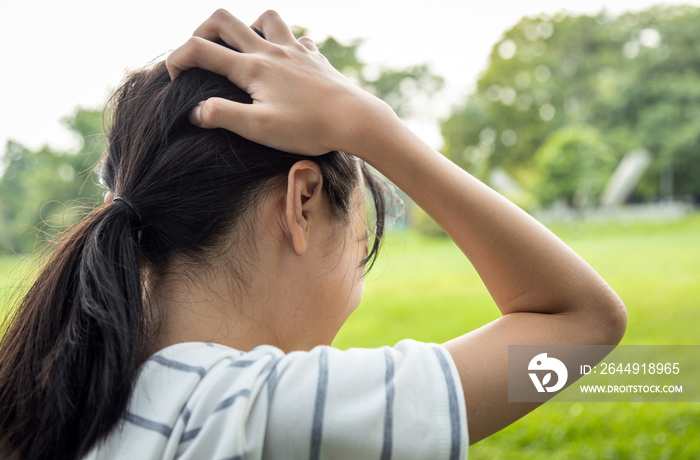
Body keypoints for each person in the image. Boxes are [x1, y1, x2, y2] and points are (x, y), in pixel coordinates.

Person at [0, 9, 626, 460]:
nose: (358, 284)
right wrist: (369, 126)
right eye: (363, 247)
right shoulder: (265, 415)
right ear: (301, 202)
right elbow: (581, 324)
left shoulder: (59, 396)